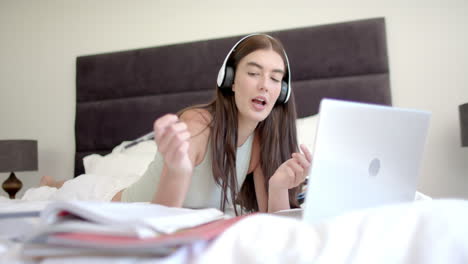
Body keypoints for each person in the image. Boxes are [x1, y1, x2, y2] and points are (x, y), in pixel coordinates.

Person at [41, 34, 311, 215]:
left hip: (143, 193)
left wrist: (278, 188)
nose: (265, 84)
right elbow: (160, 218)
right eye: (253, 73)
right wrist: (179, 170)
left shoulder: (261, 141)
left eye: (275, 78)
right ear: (230, 80)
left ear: (283, 92)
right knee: (63, 190)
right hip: (110, 204)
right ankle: (52, 183)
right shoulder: (197, 125)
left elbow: (273, 226)